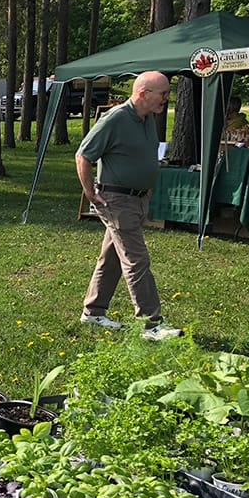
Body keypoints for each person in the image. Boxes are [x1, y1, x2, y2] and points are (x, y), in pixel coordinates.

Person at [77, 71, 183, 341]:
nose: (166, 99)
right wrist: (90, 193)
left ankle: (93, 312)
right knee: (137, 260)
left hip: (136, 199)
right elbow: (83, 155)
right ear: (143, 93)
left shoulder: (147, 119)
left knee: (111, 258)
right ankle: (151, 325)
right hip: (116, 200)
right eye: (163, 94)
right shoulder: (115, 118)